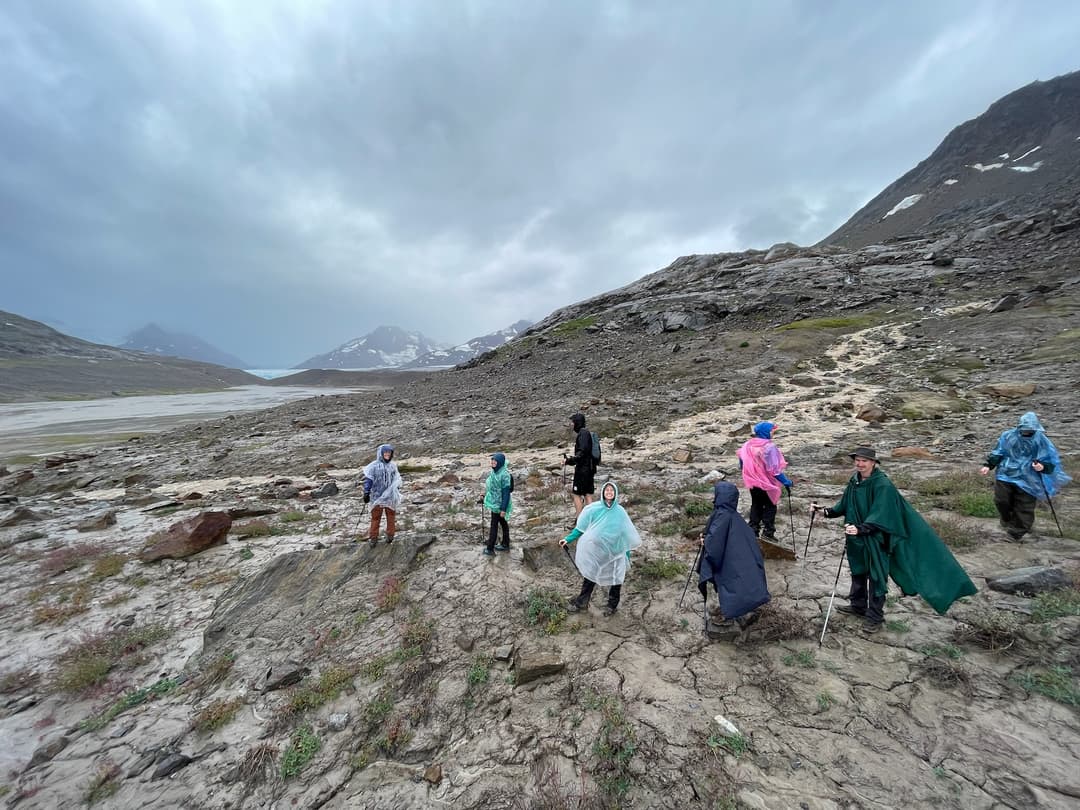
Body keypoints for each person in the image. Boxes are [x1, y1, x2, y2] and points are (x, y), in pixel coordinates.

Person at [813, 447, 977, 634]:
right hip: (856, 539)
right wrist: (825, 512)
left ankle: (875, 617)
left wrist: (862, 528)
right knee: (858, 572)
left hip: (876, 539)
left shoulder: (883, 485)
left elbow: (883, 514)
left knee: (876, 577)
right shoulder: (854, 481)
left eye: (864, 460)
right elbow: (844, 505)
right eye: (857, 460)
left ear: (873, 463)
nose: (859, 464)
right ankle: (858, 606)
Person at [979, 411, 1071, 541]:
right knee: (1001, 500)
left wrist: (1042, 466)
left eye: (1030, 430)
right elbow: (999, 452)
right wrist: (988, 465)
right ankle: (1008, 520)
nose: (1027, 432)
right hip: (1006, 474)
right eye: (1025, 429)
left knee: (1024, 506)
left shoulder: (1041, 440)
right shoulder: (1008, 436)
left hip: (1030, 478)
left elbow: (1050, 460)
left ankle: (1015, 533)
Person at [697, 481, 771, 631]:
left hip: (732, 563)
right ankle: (741, 612)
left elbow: (714, 546)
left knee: (729, 583)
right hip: (742, 562)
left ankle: (731, 615)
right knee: (737, 584)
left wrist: (705, 542)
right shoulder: (733, 516)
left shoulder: (721, 516)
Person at [560, 481, 641, 616]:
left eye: (612, 491)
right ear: (603, 492)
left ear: (615, 494)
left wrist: (626, 554)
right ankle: (582, 602)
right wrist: (568, 539)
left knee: (616, 579)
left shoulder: (620, 512)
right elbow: (581, 528)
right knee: (591, 575)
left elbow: (625, 534)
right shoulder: (594, 509)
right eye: (607, 490)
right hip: (597, 551)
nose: (609, 492)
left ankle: (612, 606)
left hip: (615, 552)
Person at [736, 421, 792, 542]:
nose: (773, 433)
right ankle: (768, 532)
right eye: (771, 430)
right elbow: (774, 470)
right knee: (770, 506)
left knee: (756, 505)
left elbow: (742, 463)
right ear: (765, 432)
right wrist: (786, 481)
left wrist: (752, 474)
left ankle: (753, 531)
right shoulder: (769, 447)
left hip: (753, 482)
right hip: (767, 483)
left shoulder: (747, 445)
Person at [362, 443, 402, 544]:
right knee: (376, 517)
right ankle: (373, 537)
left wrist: (396, 489)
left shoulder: (393, 466)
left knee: (391, 515)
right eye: (385, 452)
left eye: (389, 453)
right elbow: (369, 480)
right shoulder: (373, 466)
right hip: (377, 495)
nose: (387, 454)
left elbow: (397, 479)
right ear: (381, 453)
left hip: (390, 496)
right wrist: (366, 492)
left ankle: (390, 535)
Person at [563, 412, 596, 517]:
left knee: (576, 494)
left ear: (577, 423)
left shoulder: (582, 434)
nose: (572, 425)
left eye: (573, 422)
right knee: (587, 494)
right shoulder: (586, 433)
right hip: (590, 468)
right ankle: (591, 520)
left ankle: (579, 520)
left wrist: (568, 461)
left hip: (583, 470)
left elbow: (581, 453)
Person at [482, 452, 513, 557]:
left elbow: (506, 493)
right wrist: (484, 495)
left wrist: (503, 509)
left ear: (500, 462)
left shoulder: (504, 475)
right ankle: (505, 544)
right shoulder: (494, 472)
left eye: (495, 461)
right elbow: (491, 486)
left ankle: (490, 549)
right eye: (492, 460)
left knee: (494, 525)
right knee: (503, 524)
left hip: (500, 505)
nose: (493, 462)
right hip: (494, 502)